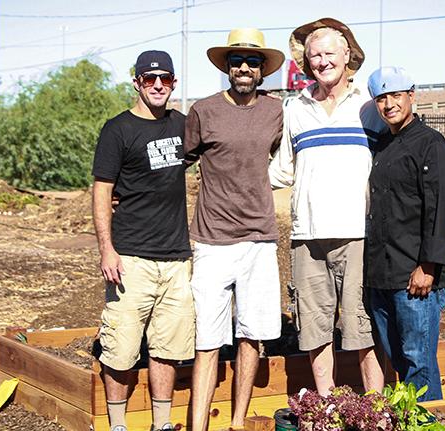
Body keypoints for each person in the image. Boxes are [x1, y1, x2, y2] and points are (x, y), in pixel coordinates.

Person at [269, 18, 386, 396]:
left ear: (347, 55)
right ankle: (326, 409)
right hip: (308, 237)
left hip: (359, 235)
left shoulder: (369, 109)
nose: (321, 61)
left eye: (329, 53)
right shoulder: (295, 108)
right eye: (314, 55)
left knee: (362, 329)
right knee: (315, 328)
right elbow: (280, 171)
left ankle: (377, 407)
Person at [183, 28, 285, 430]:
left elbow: (278, 155)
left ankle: (237, 422)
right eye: (237, 61)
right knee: (207, 341)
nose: (244, 68)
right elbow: (178, 164)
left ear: (263, 71)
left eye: (253, 62)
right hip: (211, 240)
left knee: (251, 337)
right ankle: (198, 426)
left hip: (259, 239)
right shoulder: (203, 111)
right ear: (227, 68)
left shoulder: (275, 111)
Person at [92, 50, 194, 431]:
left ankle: (161, 424)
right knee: (120, 348)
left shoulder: (184, 125)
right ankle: (118, 425)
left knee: (167, 349)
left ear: (173, 84)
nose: (156, 86)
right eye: (149, 79)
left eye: (164, 79)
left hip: (176, 258)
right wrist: (107, 249)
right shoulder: (117, 129)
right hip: (130, 258)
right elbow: (102, 190)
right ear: (136, 82)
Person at [364, 66, 445, 402]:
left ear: (412, 96)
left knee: (419, 361)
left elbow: (440, 209)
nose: (389, 104)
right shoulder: (383, 147)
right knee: (402, 360)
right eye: (381, 98)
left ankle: (426, 422)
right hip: (382, 275)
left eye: (396, 95)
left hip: (415, 276)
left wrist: (428, 266)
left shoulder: (431, 145)